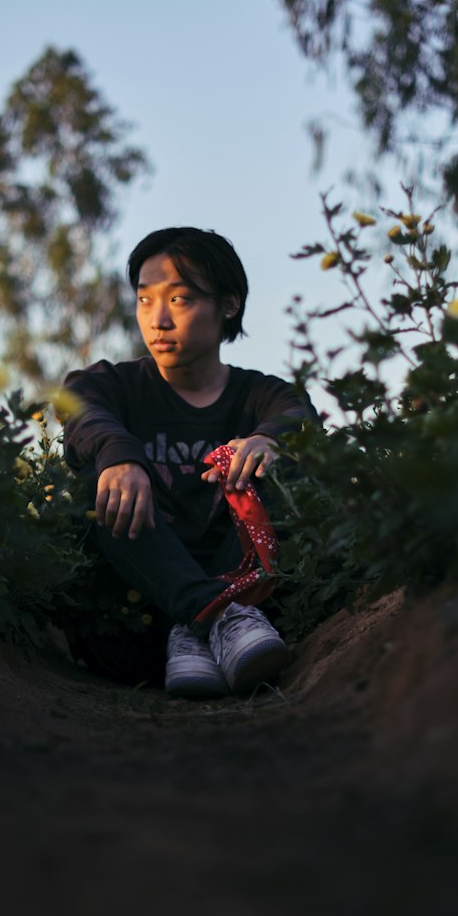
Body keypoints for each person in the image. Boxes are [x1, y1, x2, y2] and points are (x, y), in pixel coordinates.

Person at [62, 226, 316, 698]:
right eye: (144, 300)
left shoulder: (259, 394)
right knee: (95, 488)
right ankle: (210, 615)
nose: (157, 320)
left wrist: (268, 439)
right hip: (139, 621)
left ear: (228, 304)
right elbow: (79, 405)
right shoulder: (116, 386)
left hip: (255, 626)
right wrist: (118, 456)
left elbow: (298, 414)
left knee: (285, 467)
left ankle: (204, 626)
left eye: (179, 300)